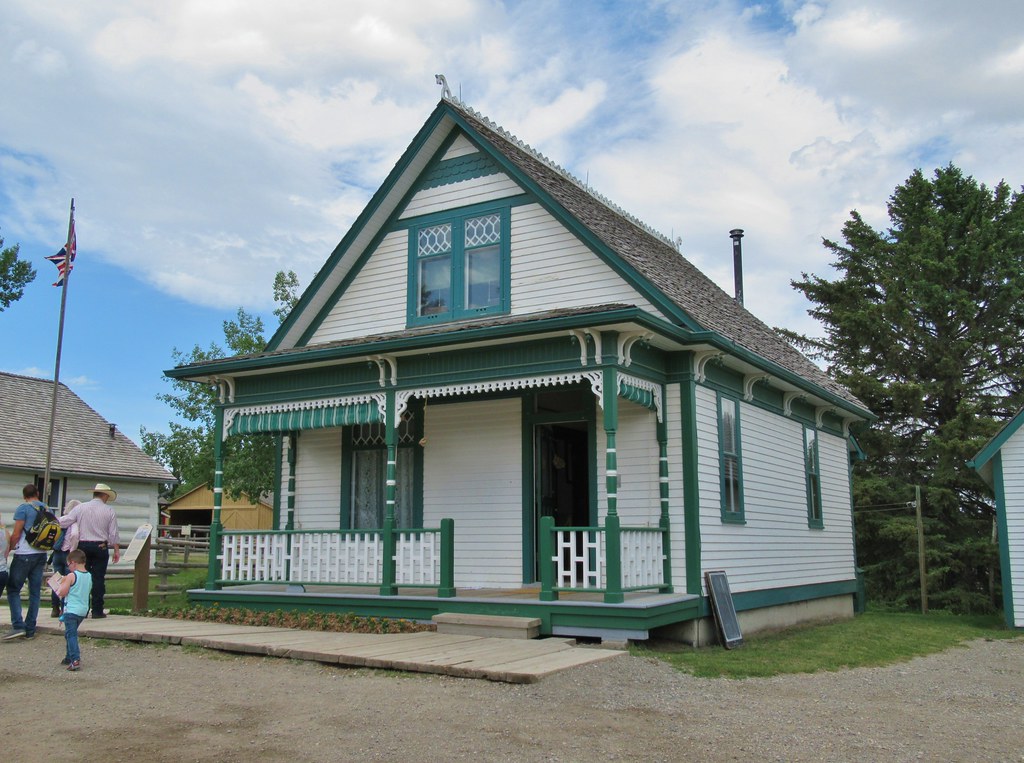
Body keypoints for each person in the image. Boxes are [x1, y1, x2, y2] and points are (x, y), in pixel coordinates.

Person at [58, 484, 120, 618]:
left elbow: (66, 521)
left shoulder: (80, 508)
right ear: (104, 495)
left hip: (83, 546)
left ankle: (82, 609)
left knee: (82, 577)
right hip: (100, 546)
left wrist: (51, 521)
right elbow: (113, 533)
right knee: (98, 579)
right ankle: (97, 610)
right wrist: (116, 549)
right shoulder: (109, 511)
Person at [3, 484, 49, 640]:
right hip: (41, 553)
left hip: (24, 553)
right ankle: (30, 629)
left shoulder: (23, 508)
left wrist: (9, 548)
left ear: (24, 495)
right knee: (35, 592)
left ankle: (18, 625)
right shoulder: (46, 508)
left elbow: (16, 533)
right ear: (37, 493)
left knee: (13, 588)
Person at [54, 548, 92, 671]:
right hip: (82, 610)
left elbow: (63, 592)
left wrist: (60, 585)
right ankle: (68, 656)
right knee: (69, 633)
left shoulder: (71, 575)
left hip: (71, 610)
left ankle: (75, 659)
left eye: (68, 564)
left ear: (73, 562)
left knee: (71, 635)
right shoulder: (88, 575)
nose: (68, 566)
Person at [49, 498, 81, 618]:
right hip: (68, 553)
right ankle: (64, 608)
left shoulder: (60, 521)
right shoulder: (74, 523)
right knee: (67, 581)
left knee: (56, 580)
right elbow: (74, 535)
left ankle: (54, 607)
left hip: (57, 553)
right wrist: (73, 551)